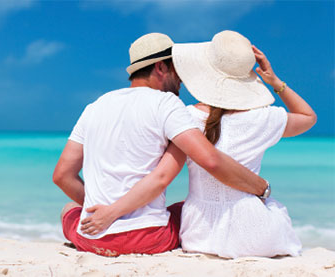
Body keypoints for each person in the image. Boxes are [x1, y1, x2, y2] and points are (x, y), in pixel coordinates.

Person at [53, 33, 269, 257]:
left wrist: (104, 212)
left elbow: (62, 176)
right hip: (150, 239)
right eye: (178, 69)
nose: (182, 79)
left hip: (92, 239)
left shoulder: (94, 107)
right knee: (192, 207)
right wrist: (261, 188)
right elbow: (211, 161)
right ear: (160, 67)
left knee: (69, 209)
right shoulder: (167, 104)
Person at [167, 30, 316, 258]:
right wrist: (275, 81)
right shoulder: (263, 119)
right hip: (256, 233)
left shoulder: (185, 118)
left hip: (200, 232)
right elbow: (308, 117)